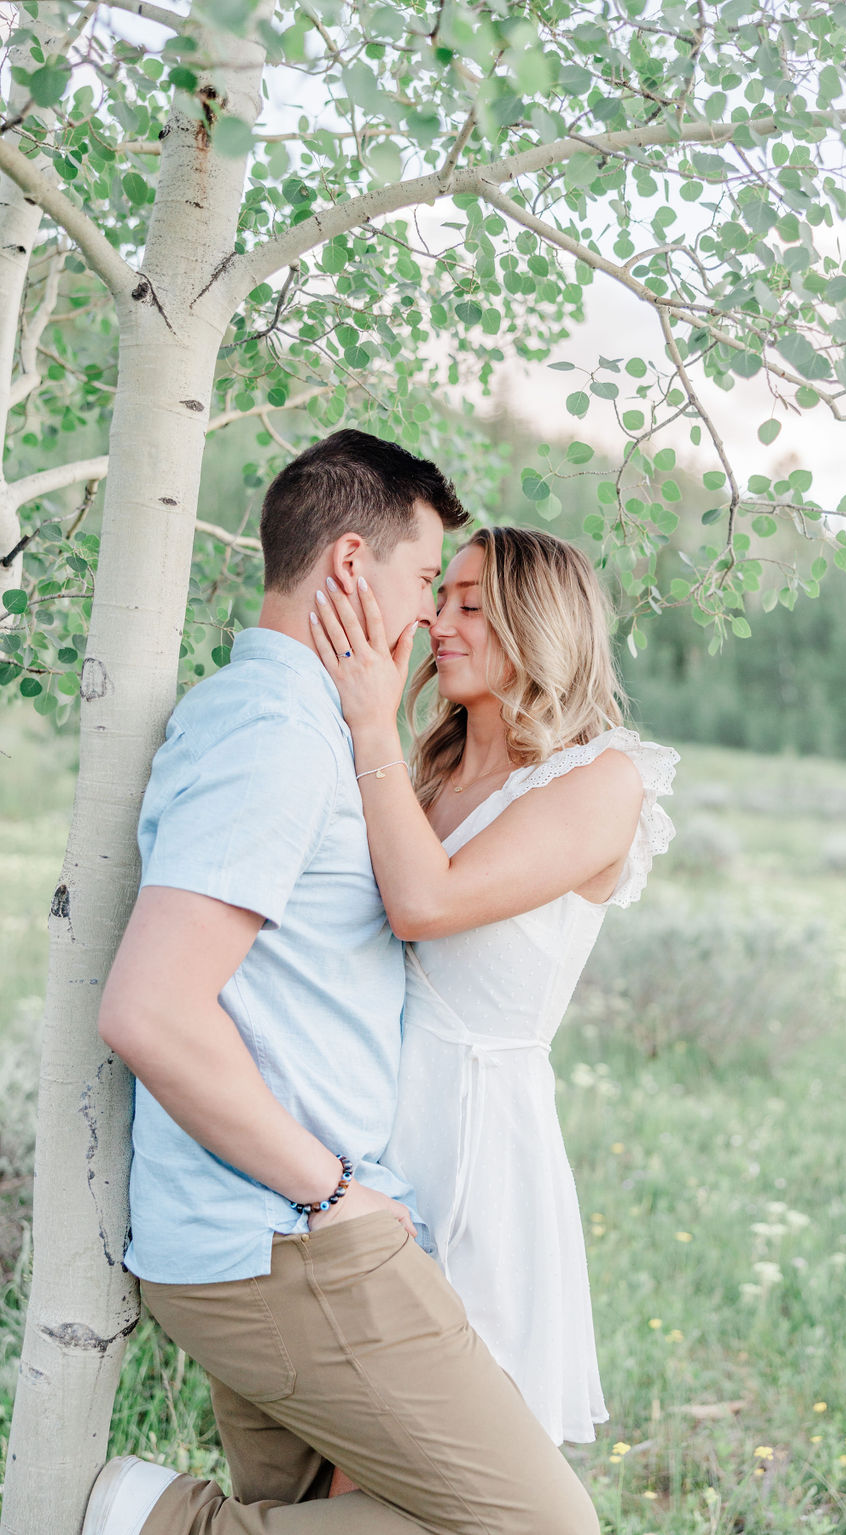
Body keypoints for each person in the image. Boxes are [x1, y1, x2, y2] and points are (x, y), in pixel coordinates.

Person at [88, 431, 600, 1535]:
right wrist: (328, 1191)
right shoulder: (277, 731)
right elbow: (150, 1008)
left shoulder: (311, 728)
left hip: (305, 1223)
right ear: (351, 564)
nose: (427, 618)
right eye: (426, 581)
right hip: (291, 1232)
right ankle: (154, 1520)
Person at [309, 525, 678, 1449]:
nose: (440, 618)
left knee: (460, 1452)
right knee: (360, 1443)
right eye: (445, 595)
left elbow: (424, 903)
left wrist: (370, 722)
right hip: (363, 1124)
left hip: (476, 1134)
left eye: (473, 603)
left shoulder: (602, 780)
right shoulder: (426, 775)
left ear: (538, 621)